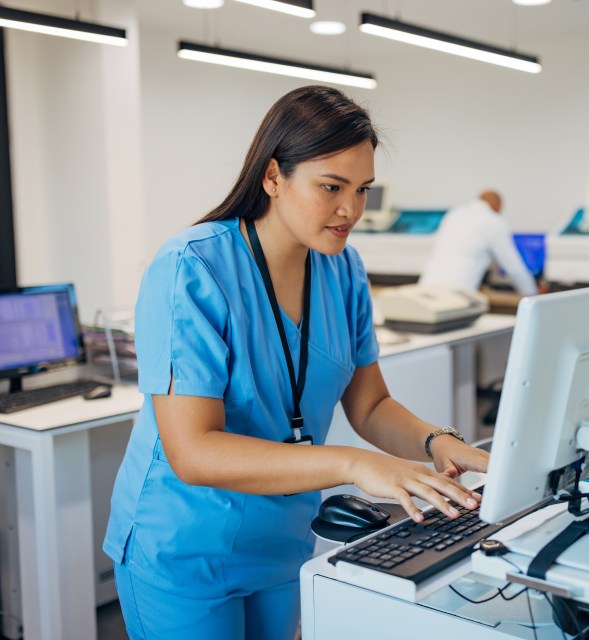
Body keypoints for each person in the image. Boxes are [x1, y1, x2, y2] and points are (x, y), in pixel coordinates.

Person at [103, 86, 488, 640]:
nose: (350, 210)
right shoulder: (190, 268)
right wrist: (354, 466)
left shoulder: (343, 269)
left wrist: (441, 445)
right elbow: (193, 451)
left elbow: (370, 403)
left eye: (362, 191)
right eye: (331, 187)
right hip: (185, 546)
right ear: (273, 177)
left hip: (284, 539)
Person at [418, 190, 540, 296]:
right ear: (497, 206)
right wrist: (532, 292)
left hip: (426, 287)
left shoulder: (454, 214)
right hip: (457, 292)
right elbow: (513, 266)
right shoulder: (493, 221)